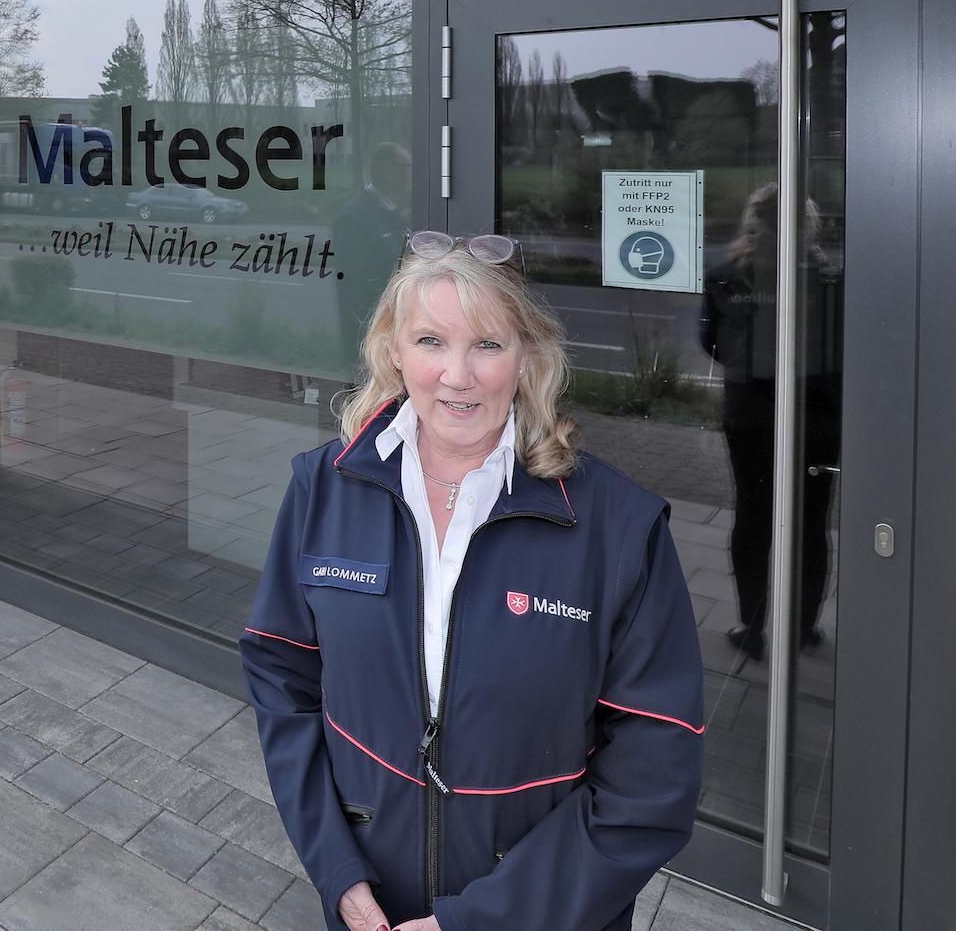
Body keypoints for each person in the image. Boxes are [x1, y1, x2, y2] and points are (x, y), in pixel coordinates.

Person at [241, 231, 704, 930]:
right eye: (430, 341)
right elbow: (282, 679)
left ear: (528, 357)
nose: (457, 375)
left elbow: (653, 776)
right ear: (393, 349)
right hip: (369, 910)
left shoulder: (618, 527)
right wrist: (337, 870)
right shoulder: (322, 489)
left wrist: (480, 919)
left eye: (487, 344)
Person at [699, 182, 842, 660]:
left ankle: (753, 626)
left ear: (752, 222)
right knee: (810, 520)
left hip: (751, 415)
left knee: (754, 515)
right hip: (818, 416)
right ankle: (802, 628)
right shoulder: (829, 278)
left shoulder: (726, 277)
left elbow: (711, 344)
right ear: (809, 224)